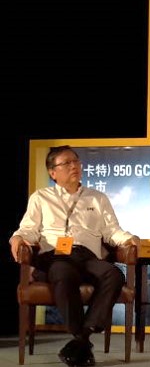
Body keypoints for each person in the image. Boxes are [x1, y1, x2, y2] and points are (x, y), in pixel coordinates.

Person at [9, 145, 139, 367]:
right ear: (53, 172)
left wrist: (129, 238)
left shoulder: (97, 198)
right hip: (55, 256)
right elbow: (29, 229)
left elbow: (111, 231)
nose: (73, 166)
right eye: (66, 163)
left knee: (114, 274)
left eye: (76, 161)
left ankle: (82, 338)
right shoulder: (41, 197)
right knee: (63, 272)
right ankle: (83, 341)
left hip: (87, 256)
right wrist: (17, 238)